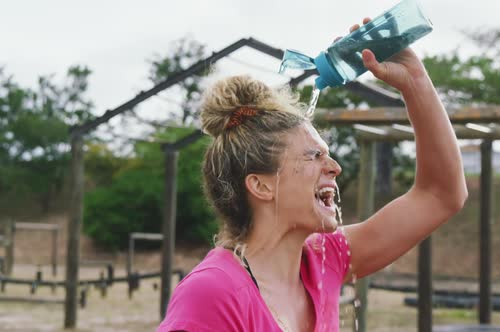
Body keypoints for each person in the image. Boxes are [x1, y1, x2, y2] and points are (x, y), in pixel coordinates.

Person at [158, 18, 468, 332]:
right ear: (261, 185)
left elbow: (440, 194)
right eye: (314, 156)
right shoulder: (213, 295)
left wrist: (415, 82)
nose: (335, 167)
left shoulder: (325, 260)